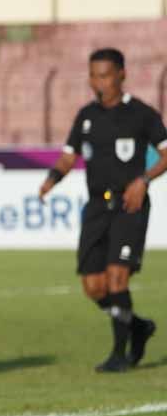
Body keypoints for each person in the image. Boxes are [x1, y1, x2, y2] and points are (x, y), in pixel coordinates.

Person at [39, 48, 167, 372]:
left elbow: (166, 154)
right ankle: (138, 327)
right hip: (97, 207)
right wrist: (52, 180)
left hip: (129, 204)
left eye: (105, 75)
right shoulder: (86, 116)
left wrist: (143, 180)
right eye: (94, 75)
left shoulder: (141, 114)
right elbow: (70, 157)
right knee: (94, 286)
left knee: (117, 278)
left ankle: (119, 354)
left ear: (122, 74)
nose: (99, 82)